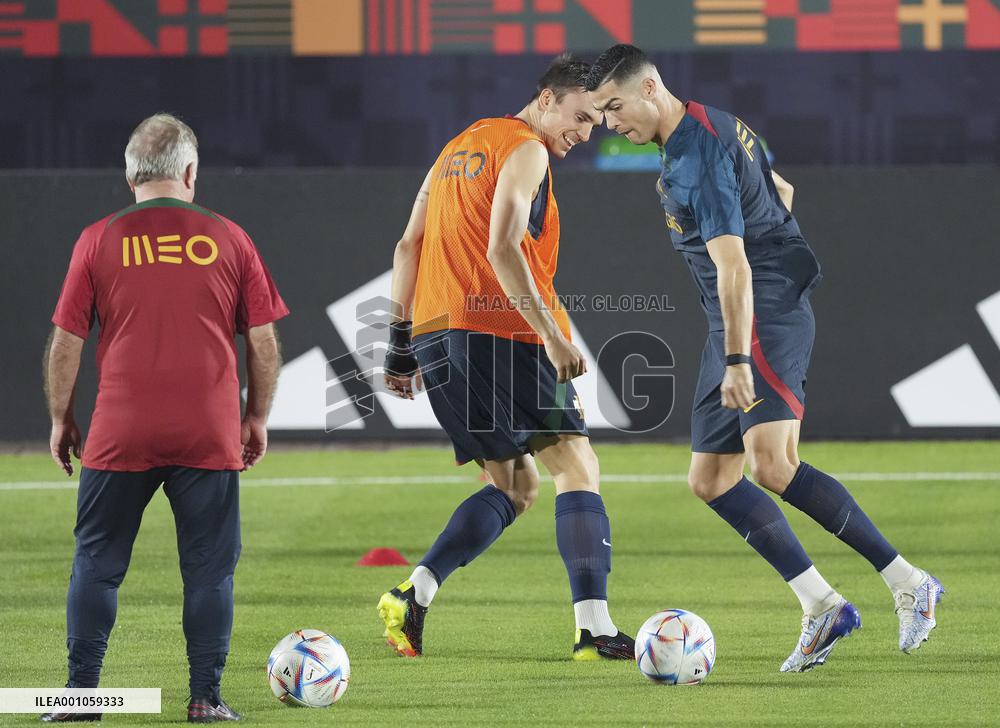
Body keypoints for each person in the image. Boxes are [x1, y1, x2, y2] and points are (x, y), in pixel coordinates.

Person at [585, 45, 943, 672]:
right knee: (711, 479)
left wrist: (736, 357)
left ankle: (909, 583)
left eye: (614, 107)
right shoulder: (712, 122)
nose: (609, 123)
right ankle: (822, 604)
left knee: (773, 464)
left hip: (759, 315)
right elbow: (780, 187)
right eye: (600, 113)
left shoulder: (694, 156)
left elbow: (733, 262)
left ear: (649, 89)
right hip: (743, 316)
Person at [377, 54, 633, 661]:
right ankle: (594, 630)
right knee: (575, 466)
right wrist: (548, 331)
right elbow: (502, 246)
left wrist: (399, 343)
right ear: (547, 99)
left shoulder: (452, 153)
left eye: (596, 122)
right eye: (580, 116)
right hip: (505, 331)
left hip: (438, 334)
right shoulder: (527, 150)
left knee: (515, 484)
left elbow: (408, 244)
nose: (585, 131)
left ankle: (414, 592)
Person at [43, 113, 287, 721]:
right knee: (208, 571)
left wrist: (60, 418)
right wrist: (256, 416)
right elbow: (262, 341)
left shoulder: (97, 238)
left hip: (120, 428)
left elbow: (67, 341)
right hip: (207, 427)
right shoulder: (230, 237)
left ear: (130, 175)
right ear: (190, 172)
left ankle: (80, 700)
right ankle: (205, 699)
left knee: (96, 566)